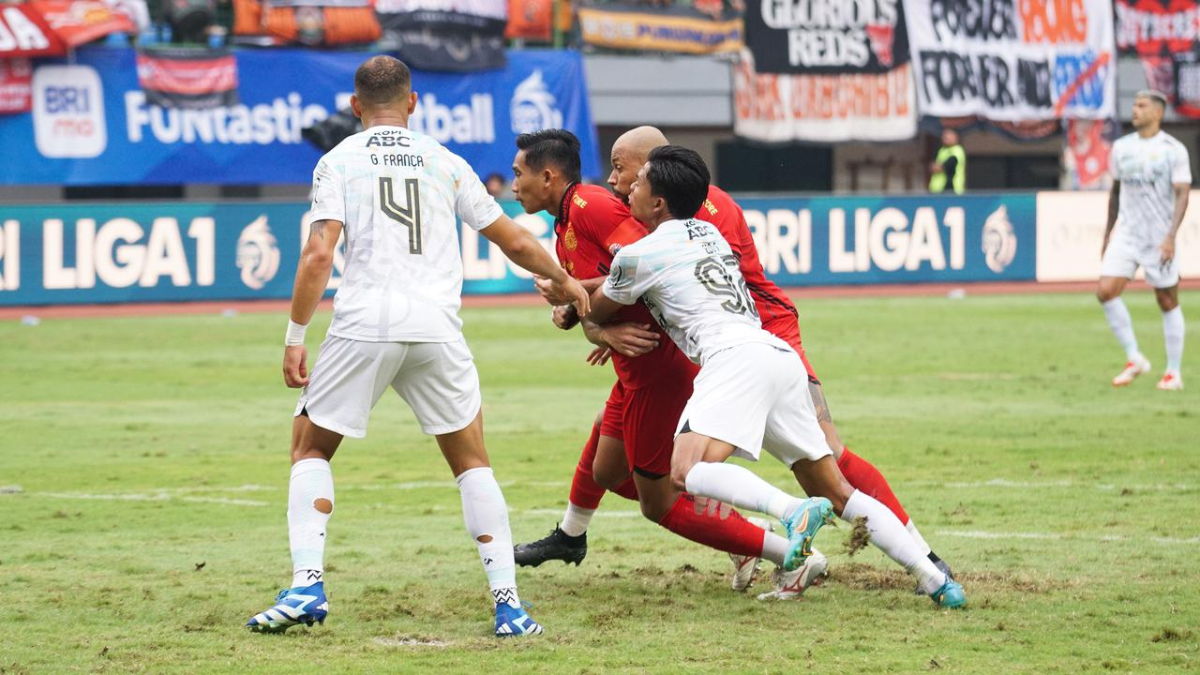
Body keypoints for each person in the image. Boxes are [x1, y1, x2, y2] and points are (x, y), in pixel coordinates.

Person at [519, 126, 953, 596]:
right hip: (762, 348)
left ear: (659, 185)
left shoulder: (646, 242)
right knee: (828, 485)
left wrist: (582, 308)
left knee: (693, 471)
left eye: (629, 173)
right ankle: (933, 577)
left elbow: (616, 293)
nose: (618, 183)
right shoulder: (704, 221)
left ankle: (792, 519)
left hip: (748, 342)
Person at [245, 56, 589, 637]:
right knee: (471, 461)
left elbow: (318, 254)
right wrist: (568, 281)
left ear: (355, 107)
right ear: (413, 103)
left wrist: (295, 336)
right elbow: (512, 238)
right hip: (436, 326)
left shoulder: (338, 160)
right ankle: (509, 606)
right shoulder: (444, 160)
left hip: (365, 323)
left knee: (310, 448)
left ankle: (307, 585)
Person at [508, 129, 830, 597]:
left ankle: (786, 553)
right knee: (607, 470)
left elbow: (646, 253)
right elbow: (600, 303)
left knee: (657, 501)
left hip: (659, 366)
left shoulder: (591, 206)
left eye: (518, 174)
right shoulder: (565, 228)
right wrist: (593, 321)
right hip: (635, 368)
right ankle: (572, 535)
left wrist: (580, 301)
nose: (513, 184)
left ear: (548, 175)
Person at [1098, 90, 1192, 390]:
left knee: (1166, 300)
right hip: (1127, 233)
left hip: (1158, 235)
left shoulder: (1173, 149)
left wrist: (1171, 237)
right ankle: (1134, 357)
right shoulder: (1122, 148)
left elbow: (1182, 193)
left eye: (1142, 106)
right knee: (1106, 291)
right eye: (1134, 105)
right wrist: (1108, 231)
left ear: (1158, 113)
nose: (1135, 110)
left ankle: (1173, 372)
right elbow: (1115, 191)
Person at [929, 128, 966, 195]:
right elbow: (932, 166)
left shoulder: (957, 150)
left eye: (948, 136)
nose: (945, 138)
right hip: (937, 190)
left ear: (955, 137)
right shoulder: (942, 150)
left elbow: (945, 166)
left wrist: (938, 167)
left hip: (952, 190)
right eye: (944, 136)